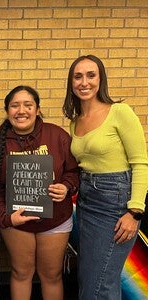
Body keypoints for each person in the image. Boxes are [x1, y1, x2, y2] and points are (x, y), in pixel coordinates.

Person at [0, 85, 80, 300]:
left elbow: (74, 171)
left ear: (37, 109)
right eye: (15, 105)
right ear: (7, 111)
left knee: (51, 275)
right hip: (16, 222)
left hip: (55, 220)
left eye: (28, 105)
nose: (21, 110)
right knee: (21, 272)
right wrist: (6, 218)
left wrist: (66, 187)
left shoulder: (57, 135)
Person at [62, 54, 148, 299]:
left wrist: (135, 212)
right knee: (89, 277)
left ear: (101, 79)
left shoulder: (120, 112)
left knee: (100, 283)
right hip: (86, 202)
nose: (84, 82)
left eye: (91, 75)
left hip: (116, 202)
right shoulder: (75, 122)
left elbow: (141, 163)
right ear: (71, 83)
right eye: (78, 76)